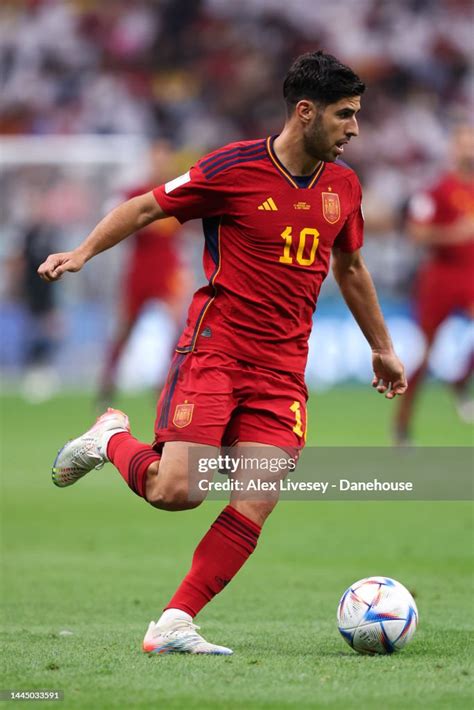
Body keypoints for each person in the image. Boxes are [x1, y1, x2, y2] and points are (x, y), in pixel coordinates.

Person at [38, 51, 407, 656]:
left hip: (283, 370)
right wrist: (81, 253)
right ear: (305, 112)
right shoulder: (232, 168)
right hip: (217, 351)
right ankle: (110, 437)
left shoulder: (345, 186)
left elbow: (350, 264)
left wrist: (383, 348)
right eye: (345, 115)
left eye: (358, 115)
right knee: (176, 492)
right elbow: (146, 206)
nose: (355, 129)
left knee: (258, 493)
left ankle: (175, 621)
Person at [394, 124, 474, 445]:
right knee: (425, 354)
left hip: (470, 274)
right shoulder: (436, 190)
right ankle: (402, 424)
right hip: (440, 276)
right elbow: (416, 233)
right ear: (454, 150)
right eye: (464, 144)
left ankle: (460, 380)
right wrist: (454, 233)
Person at [97, 140, 188, 408]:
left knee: (178, 328)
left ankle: (167, 384)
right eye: (156, 156)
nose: (161, 162)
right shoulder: (136, 195)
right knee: (125, 329)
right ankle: (107, 385)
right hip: (139, 269)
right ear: (150, 159)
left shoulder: (181, 192)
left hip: (168, 269)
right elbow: (117, 223)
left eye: (165, 157)